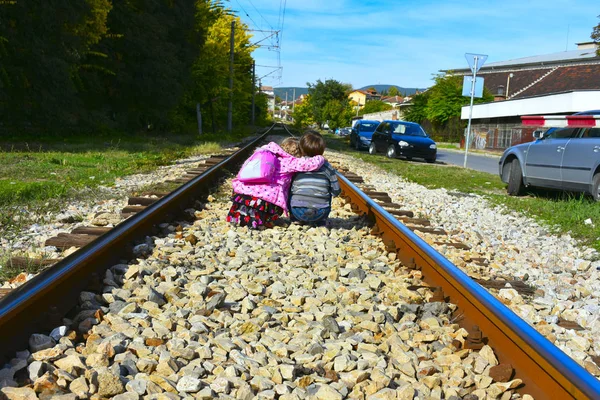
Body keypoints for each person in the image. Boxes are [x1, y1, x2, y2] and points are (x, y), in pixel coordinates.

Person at [227, 140, 324, 229]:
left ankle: (238, 216)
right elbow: (310, 164)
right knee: (275, 204)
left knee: (250, 203)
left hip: (243, 193)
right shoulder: (289, 161)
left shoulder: (266, 154)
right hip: (264, 199)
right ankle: (264, 220)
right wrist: (320, 157)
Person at [289, 131, 341, 226]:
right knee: (329, 190)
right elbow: (336, 190)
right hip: (320, 212)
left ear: (300, 149)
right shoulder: (326, 167)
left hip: (297, 210)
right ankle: (321, 220)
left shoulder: (297, 164)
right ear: (322, 150)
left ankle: (294, 218)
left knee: (290, 186)